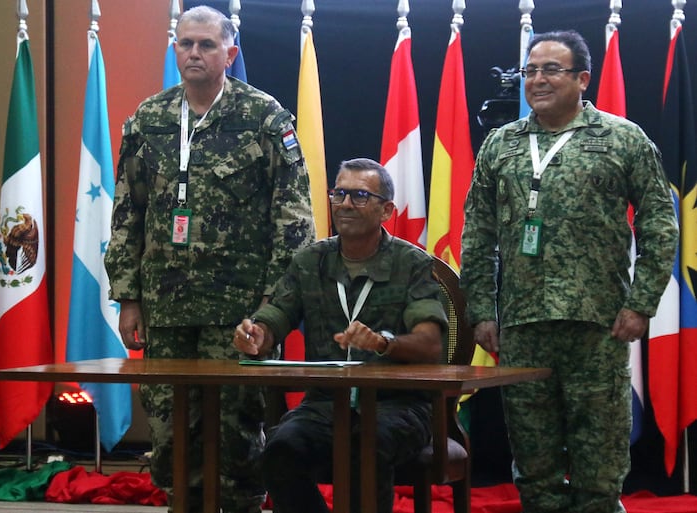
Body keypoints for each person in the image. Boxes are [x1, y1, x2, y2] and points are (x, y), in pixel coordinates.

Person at [104, 5, 315, 513]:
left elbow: (294, 219)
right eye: (185, 44)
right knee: (171, 433)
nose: (194, 53)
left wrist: (272, 307)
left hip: (239, 310)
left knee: (236, 433)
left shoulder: (265, 118)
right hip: (165, 307)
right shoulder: (149, 118)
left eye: (206, 45)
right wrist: (128, 297)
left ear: (230, 53)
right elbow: (127, 212)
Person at [460, 30, 678, 513]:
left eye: (551, 70)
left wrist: (642, 303)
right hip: (522, 326)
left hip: (598, 324)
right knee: (534, 466)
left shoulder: (623, 139)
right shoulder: (502, 145)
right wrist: (481, 312)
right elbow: (477, 235)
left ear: (583, 78)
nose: (537, 80)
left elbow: (660, 225)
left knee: (598, 462)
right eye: (530, 70)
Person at [233, 158, 448, 513]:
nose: (345, 204)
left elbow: (430, 344)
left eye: (360, 196)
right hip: (325, 403)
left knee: (365, 444)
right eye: (339, 194)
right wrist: (257, 332)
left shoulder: (412, 264)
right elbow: (277, 314)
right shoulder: (310, 261)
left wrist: (384, 343)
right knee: (279, 450)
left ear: (387, 210)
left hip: (398, 404)